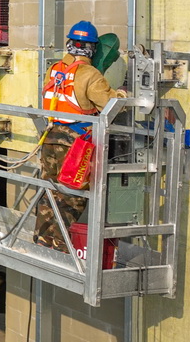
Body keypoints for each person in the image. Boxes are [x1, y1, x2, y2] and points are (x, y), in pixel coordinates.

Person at [35, 21, 127, 251]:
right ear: (92, 49)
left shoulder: (55, 68)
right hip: (74, 143)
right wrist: (122, 94)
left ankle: (42, 238)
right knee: (72, 195)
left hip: (51, 135)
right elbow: (110, 104)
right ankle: (60, 244)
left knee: (50, 190)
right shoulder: (90, 74)